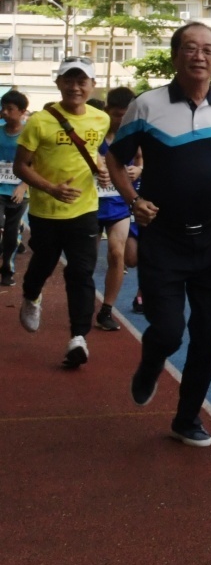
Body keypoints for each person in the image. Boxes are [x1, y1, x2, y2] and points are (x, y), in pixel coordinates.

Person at [107, 22, 211, 447]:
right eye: (190, 48)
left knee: (209, 337)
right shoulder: (146, 105)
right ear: (175, 56)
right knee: (169, 331)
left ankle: (187, 417)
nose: (199, 56)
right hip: (163, 239)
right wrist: (134, 199)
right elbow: (116, 160)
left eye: (208, 49)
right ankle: (152, 361)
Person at [13, 58, 110, 366]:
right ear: (58, 84)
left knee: (81, 272)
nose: (75, 87)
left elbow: (93, 156)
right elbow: (21, 167)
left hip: (84, 210)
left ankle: (78, 338)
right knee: (43, 264)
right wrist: (51, 188)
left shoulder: (100, 119)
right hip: (45, 211)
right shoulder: (40, 121)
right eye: (69, 80)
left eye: (82, 81)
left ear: (93, 86)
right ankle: (31, 295)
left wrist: (102, 171)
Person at [95, 88, 140, 332]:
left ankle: (106, 309)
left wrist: (139, 170)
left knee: (116, 253)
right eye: (117, 115)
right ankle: (81, 303)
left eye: (126, 115)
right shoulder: (94, 133)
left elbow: (144, 159)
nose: (121, 120)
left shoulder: (134, 134)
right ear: (106, 111)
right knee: (86, 261)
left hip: (118, 203)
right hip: (91, 204)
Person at [1, 90, 30, 287]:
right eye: (3, 108)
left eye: (10, 109)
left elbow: (35, 164)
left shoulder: (29, 134)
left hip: (19, 192)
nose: (4, 112)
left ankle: (7, 269)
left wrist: (23, 186)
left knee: (12, 234)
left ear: (21, 111)